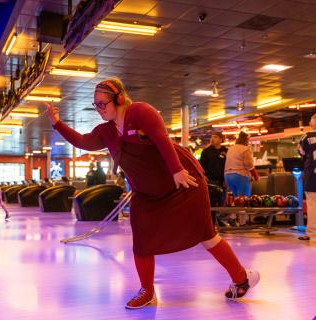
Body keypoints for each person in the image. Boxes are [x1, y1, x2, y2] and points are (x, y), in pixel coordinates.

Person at [46, 77, 259, 309]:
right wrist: (57, 123)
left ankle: (241, 279)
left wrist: (177, 170)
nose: (99, 109)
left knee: (206, 235)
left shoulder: (140, 112)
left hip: (183, 184)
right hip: (147, 193)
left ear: (118, 99)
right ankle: (147, 291)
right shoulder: (107, 131)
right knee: (142, 240)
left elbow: (162, 138)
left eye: (102, 104)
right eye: (95, 105)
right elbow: (83, 141)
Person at [224, 131, 259, 226]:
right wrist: (256, 175)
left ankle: (233, 217)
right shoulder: (245, 149)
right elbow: (249, 165)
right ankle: (241, 222)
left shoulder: (231, 148)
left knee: (237, 199)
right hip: (240, 175)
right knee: (244, 199)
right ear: (246, 140)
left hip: (228, 176)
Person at [298, 113, 316, 241]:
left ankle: (312, 233)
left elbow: (301, 151)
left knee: (312, 203)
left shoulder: (306, 136)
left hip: (312, 173)